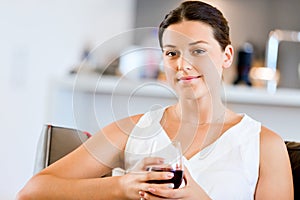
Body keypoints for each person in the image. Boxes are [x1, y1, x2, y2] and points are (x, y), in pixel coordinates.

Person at [17, 1, 293, 199]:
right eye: (172, 53)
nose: (183, 64)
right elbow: (33, 191)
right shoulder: (130, 130)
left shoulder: (264, 145)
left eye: (198, 51)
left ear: (227, 56)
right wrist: (124, 186)